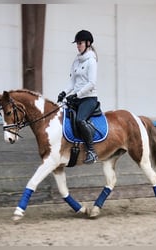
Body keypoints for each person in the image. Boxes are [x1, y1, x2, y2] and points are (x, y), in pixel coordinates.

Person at [57, 30, 99, 164]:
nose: (78, 46)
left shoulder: (91, 61)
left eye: (80, 43)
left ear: (87, 43)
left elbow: (91, 83)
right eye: (77, 44)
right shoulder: (76, 61)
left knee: (80, 120)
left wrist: (77, 94)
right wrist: (64, 92)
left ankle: (91, 151)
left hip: (89, 99)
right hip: (77, 98)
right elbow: (72, 82)